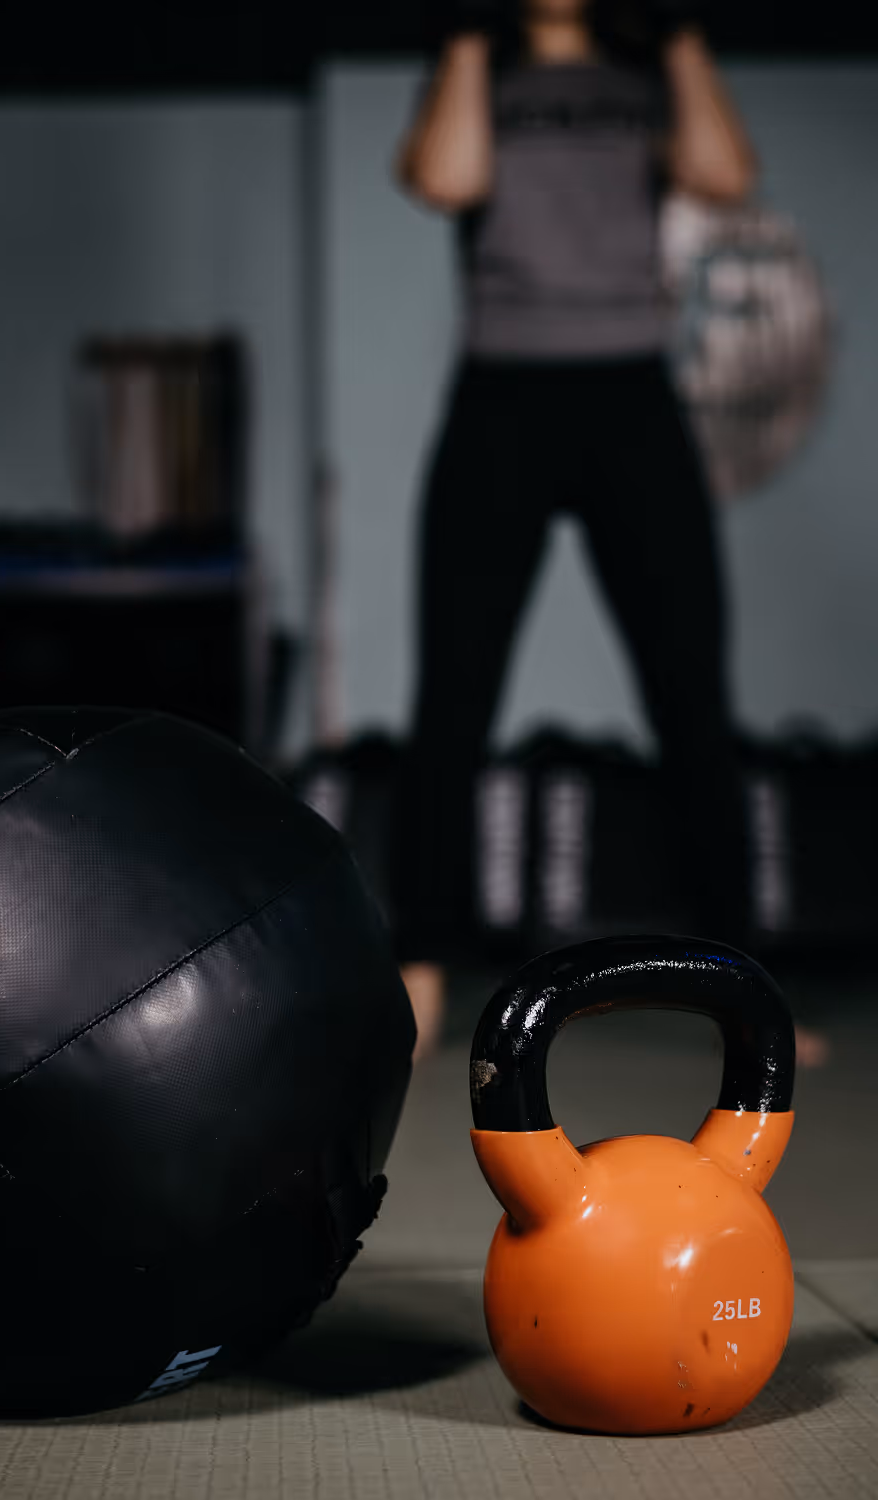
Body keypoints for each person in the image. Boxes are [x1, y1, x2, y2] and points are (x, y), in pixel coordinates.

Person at [389, 0, 828, 1066]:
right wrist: (465, 38)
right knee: (453, 695)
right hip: (501, 397)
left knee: (691, 695)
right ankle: (418, 973)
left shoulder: (645, 75)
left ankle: (742, 989)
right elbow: (444, 179)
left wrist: (678, 34)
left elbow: (725, 175)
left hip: (631, 399)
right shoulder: (476, 71)